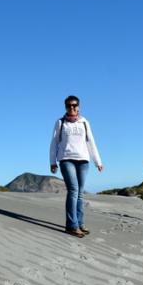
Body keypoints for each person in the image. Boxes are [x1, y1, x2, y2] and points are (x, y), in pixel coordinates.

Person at [49, 95, 103, 238]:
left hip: (83, 160)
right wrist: (52, 162)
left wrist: (98, 161)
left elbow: (91, 142)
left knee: (80, 192)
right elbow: (54, 143)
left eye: (74, 105)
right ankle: (71, 226)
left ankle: (80, 223)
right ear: (65, 107)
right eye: (69, 105)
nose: (72, 107)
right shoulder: (60, 123)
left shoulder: (85, 122)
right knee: (73, 189)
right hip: (66, 159)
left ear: (78, 106)